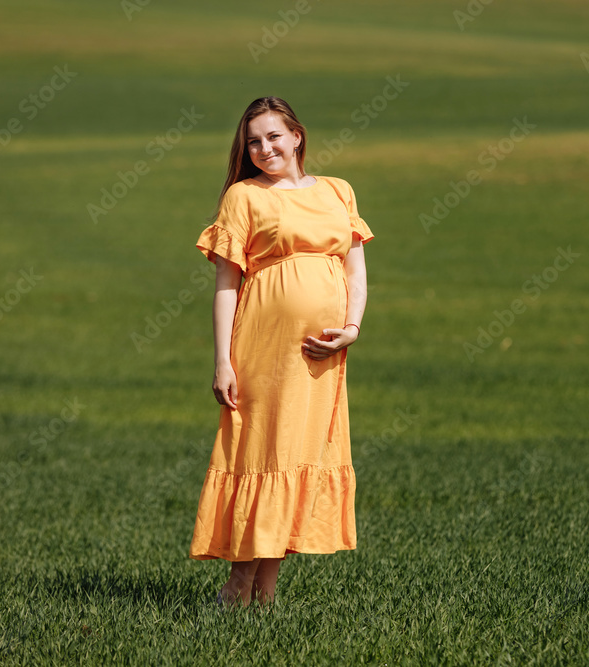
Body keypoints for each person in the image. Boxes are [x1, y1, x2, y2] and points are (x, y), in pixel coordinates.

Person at [188, 96, 373, 608]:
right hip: (263, 348)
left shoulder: (338, 191)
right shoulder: (244, 197)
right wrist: (223, 359)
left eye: (273, 136)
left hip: (321, 355)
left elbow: (355, 271)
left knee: (298, 458)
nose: (263, 148)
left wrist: (352, 327)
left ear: (297, 136)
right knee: (263, 456)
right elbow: (227, 284)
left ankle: (264, 591)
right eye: (253, 141)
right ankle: (237, 586)